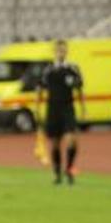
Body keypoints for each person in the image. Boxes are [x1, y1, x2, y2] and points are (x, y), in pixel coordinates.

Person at [35, 39, 86, 185]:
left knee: (71, 141)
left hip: (68, 108)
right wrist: (37, 108)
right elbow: (40, 89)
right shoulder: (48, 70)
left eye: (63, 50)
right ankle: (57, 173)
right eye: (58, 50)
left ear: (67, 51)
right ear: (54, 52)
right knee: (55, 144)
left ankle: (69, 169)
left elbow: (79, 89)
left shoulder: (73, 68)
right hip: (53, 109)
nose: (61, 53)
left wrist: (83, 107)